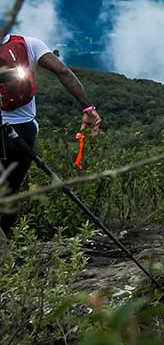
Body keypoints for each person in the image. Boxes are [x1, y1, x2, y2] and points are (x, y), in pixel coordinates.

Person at [0, 32, 100, 242]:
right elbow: (63, 71)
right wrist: (87, 107)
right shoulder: (29, 44)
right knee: (11, 192)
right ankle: (6, 243)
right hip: (23, 131)